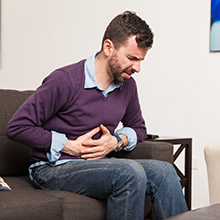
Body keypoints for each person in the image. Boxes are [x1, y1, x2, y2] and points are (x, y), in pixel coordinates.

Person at [6, 11, 188, 220]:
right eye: (132, 58)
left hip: (99, 164)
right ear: (108, 47)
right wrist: (67, 145)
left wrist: (117, 141)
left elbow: (138, 128)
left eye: (141, 60)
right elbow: (17, 127)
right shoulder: (65, 80)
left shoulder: (127, 85)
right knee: (129, 173)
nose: (137, 67)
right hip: (51, 168)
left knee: (165, 171)